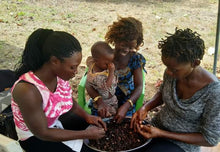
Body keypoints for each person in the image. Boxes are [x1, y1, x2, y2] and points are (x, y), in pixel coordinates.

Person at [11, 28, 107, 152]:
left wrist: (87, 116)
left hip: (54, 121)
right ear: (55, 61)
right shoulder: (27, 90)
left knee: (102, 131)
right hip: (35, 137)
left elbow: (67, 99)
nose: (76, 72)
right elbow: (43, 133)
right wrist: (85, 134)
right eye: (72, 67)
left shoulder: (59, 76)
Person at [131, 28, 220, 152]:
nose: (168, 72)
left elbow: (210, 139)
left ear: (195, 63)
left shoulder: (214, 92)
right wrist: (146, 107)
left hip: (182, 145)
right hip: (156, 128)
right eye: (166, 67)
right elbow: (163, 93)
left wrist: (162, 134)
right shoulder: (173, 73)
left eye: (174, 69)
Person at [86, 17, 146, 123]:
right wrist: (99, 102)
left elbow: (139, 86)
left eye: (131, 46)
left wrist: (127, 106)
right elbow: (89, 84)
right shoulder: (104, 57)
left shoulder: (135, 59)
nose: (126, 50)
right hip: (103, 99)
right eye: (123, 45)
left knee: (123, 128)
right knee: (100, 124)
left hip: (127, 100)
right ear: (115, 39)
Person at [86, 41, 118, 117]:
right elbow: (107, 86)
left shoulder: (91, 62)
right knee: (107, 115)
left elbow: (89, 59)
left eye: (111, 61)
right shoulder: (99, 78)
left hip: (103, 98)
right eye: (107, 63)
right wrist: (111, 72)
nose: (110, 65)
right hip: (106, 101)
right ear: (96, 60)